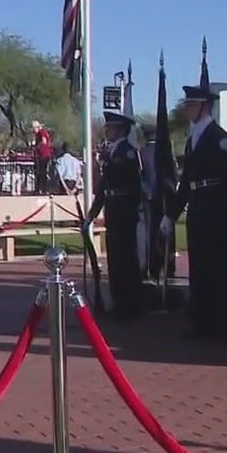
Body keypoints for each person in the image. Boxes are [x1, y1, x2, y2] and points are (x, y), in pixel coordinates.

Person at [159, 85, 227, 342]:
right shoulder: (193, 139)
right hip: (197, 206)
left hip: (213, 208)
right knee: (199, 267)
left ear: (204, 106)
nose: (187, 109)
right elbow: (186, 183)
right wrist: (171, 214)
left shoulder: (218, 138)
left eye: (191, 105)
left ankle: (225, 326)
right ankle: (202, 321)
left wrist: (222, 210)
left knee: (217, 267)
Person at [86, 109, 144, 320]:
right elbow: (103, 188)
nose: (106, 131)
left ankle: (130, 304)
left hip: (124, 210)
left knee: (125, 259)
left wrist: (131, 209)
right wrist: (92, 215)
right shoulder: (110, 153)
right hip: (112, 208)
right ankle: (119, 301)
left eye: (110, 128)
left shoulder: (127, 152)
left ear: (120, 130)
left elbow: (135, 186)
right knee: (115, 258)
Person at [142, 124, 177, 280]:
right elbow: (174, 174)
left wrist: (147, 193)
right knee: (168, 233)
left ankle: (154, 267)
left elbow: (140, 177)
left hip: (151, 199)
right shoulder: (167, 152)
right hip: (166, 197)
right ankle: (169, 266)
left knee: (152, 234)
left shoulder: (142, 153)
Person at [31, 121, 53, 195]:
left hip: (43, 155)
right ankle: (42, 188)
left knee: (41, 172)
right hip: (44, 155)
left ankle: (41, 188)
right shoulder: (43, 133)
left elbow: (44, 141)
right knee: (42, 172)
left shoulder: (41, 132)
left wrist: (36, 147)